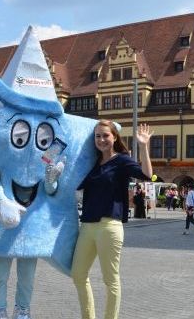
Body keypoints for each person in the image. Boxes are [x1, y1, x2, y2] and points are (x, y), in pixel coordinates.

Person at [71, 120, 152, 319]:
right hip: (87, 226)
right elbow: (75, 184)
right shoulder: (93, 163)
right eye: (97, 136)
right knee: (78, 274)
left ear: (114, 137)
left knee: (110, 280)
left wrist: (143, 146)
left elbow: (147, 175)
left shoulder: (122, 160)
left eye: (105, 135)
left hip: (109, 226)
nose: (101, 139)